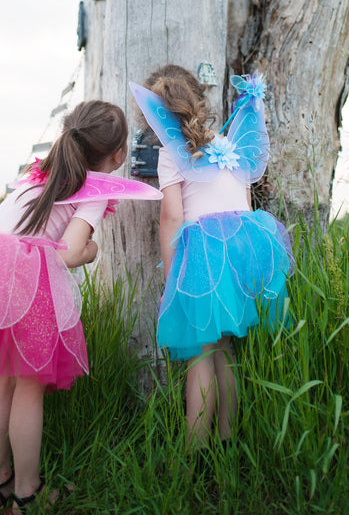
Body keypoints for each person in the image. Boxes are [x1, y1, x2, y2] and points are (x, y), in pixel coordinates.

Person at [0, 99, 161, 512]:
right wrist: (92, 250)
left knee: (5, 381)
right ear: (119, 154)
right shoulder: (95, 187)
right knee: (29, 388)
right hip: (27, 278)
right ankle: (26, 492)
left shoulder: (38, 174)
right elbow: (70, 253)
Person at [131, 65, 295, 450]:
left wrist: (174, 280)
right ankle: (226, 441)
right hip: (244, 252)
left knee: (201, 356)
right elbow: (244, 203)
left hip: (205, 257)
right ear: (199, 101)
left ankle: (194, 452)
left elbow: (172, 217)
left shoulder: (173, 154)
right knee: (225, 350)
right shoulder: (229, 147)